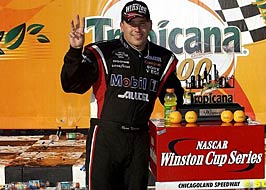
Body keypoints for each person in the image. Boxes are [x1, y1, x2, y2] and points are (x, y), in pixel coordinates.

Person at [61, 1, 184, 190]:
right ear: (122, 26)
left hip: (139, 140)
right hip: (106, 138)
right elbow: (71, 85)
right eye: (131, 23)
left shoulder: (162, 58)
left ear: (150, 25)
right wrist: (75, 52)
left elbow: (175, 99)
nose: (137, 29)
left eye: (142, 23)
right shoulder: (103, 52)